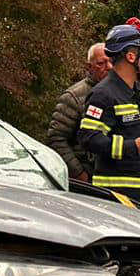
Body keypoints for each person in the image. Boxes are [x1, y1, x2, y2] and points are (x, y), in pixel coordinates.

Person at [78, 24, 140, 205]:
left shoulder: (139, 92)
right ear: (131, 56)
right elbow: (89, 138)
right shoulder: (103, 94)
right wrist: (133, 147)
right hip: (115, 200)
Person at [45, 42, 109, 183]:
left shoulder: (121, 93)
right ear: (89, 67)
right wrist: (80, 174)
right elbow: (56, 138)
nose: (108, 67)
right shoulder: (74, 97)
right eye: (101, 63)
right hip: (87, 177)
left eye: (111, 61)